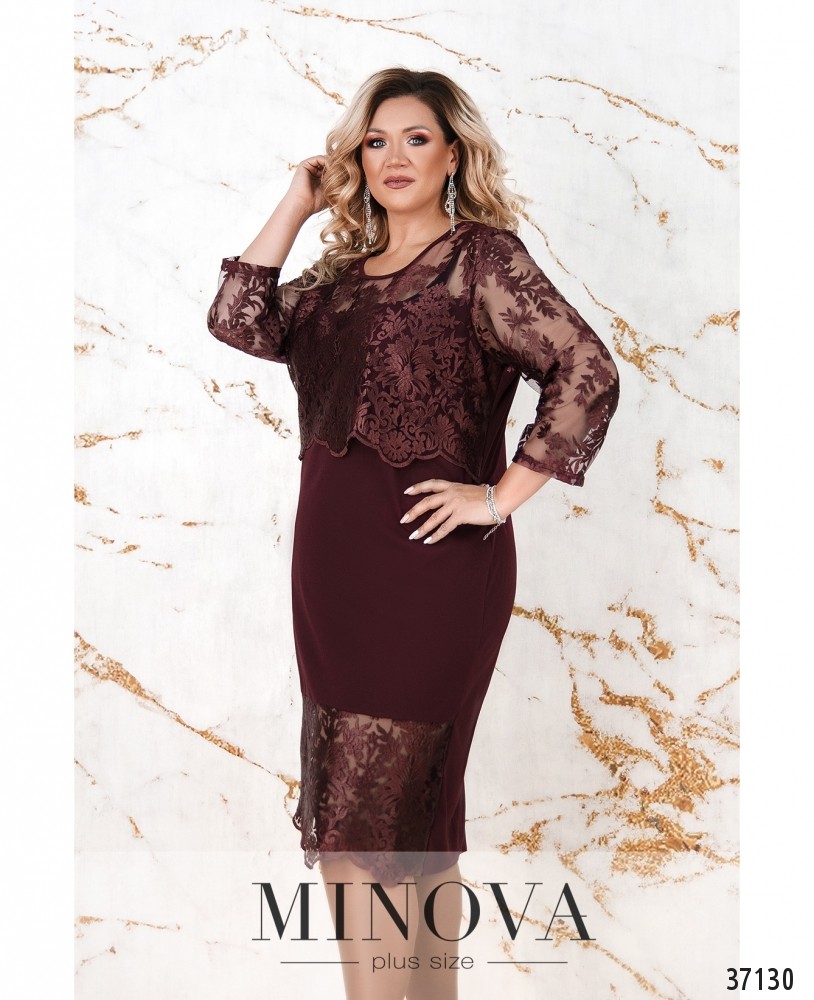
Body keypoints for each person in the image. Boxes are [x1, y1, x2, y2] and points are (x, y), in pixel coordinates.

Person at [207, 67, 619, 1000]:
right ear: (355, 158)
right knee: (410, 835)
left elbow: (587, 370)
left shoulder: (481, 259)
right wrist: (299, 200)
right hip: (332, 577)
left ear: (455, 154)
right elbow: (237, 318)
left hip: (432, 576)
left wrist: (499, 497)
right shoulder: (335, 282)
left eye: (417, 138)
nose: (394, 156)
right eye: (376, 141)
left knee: (364, 830)